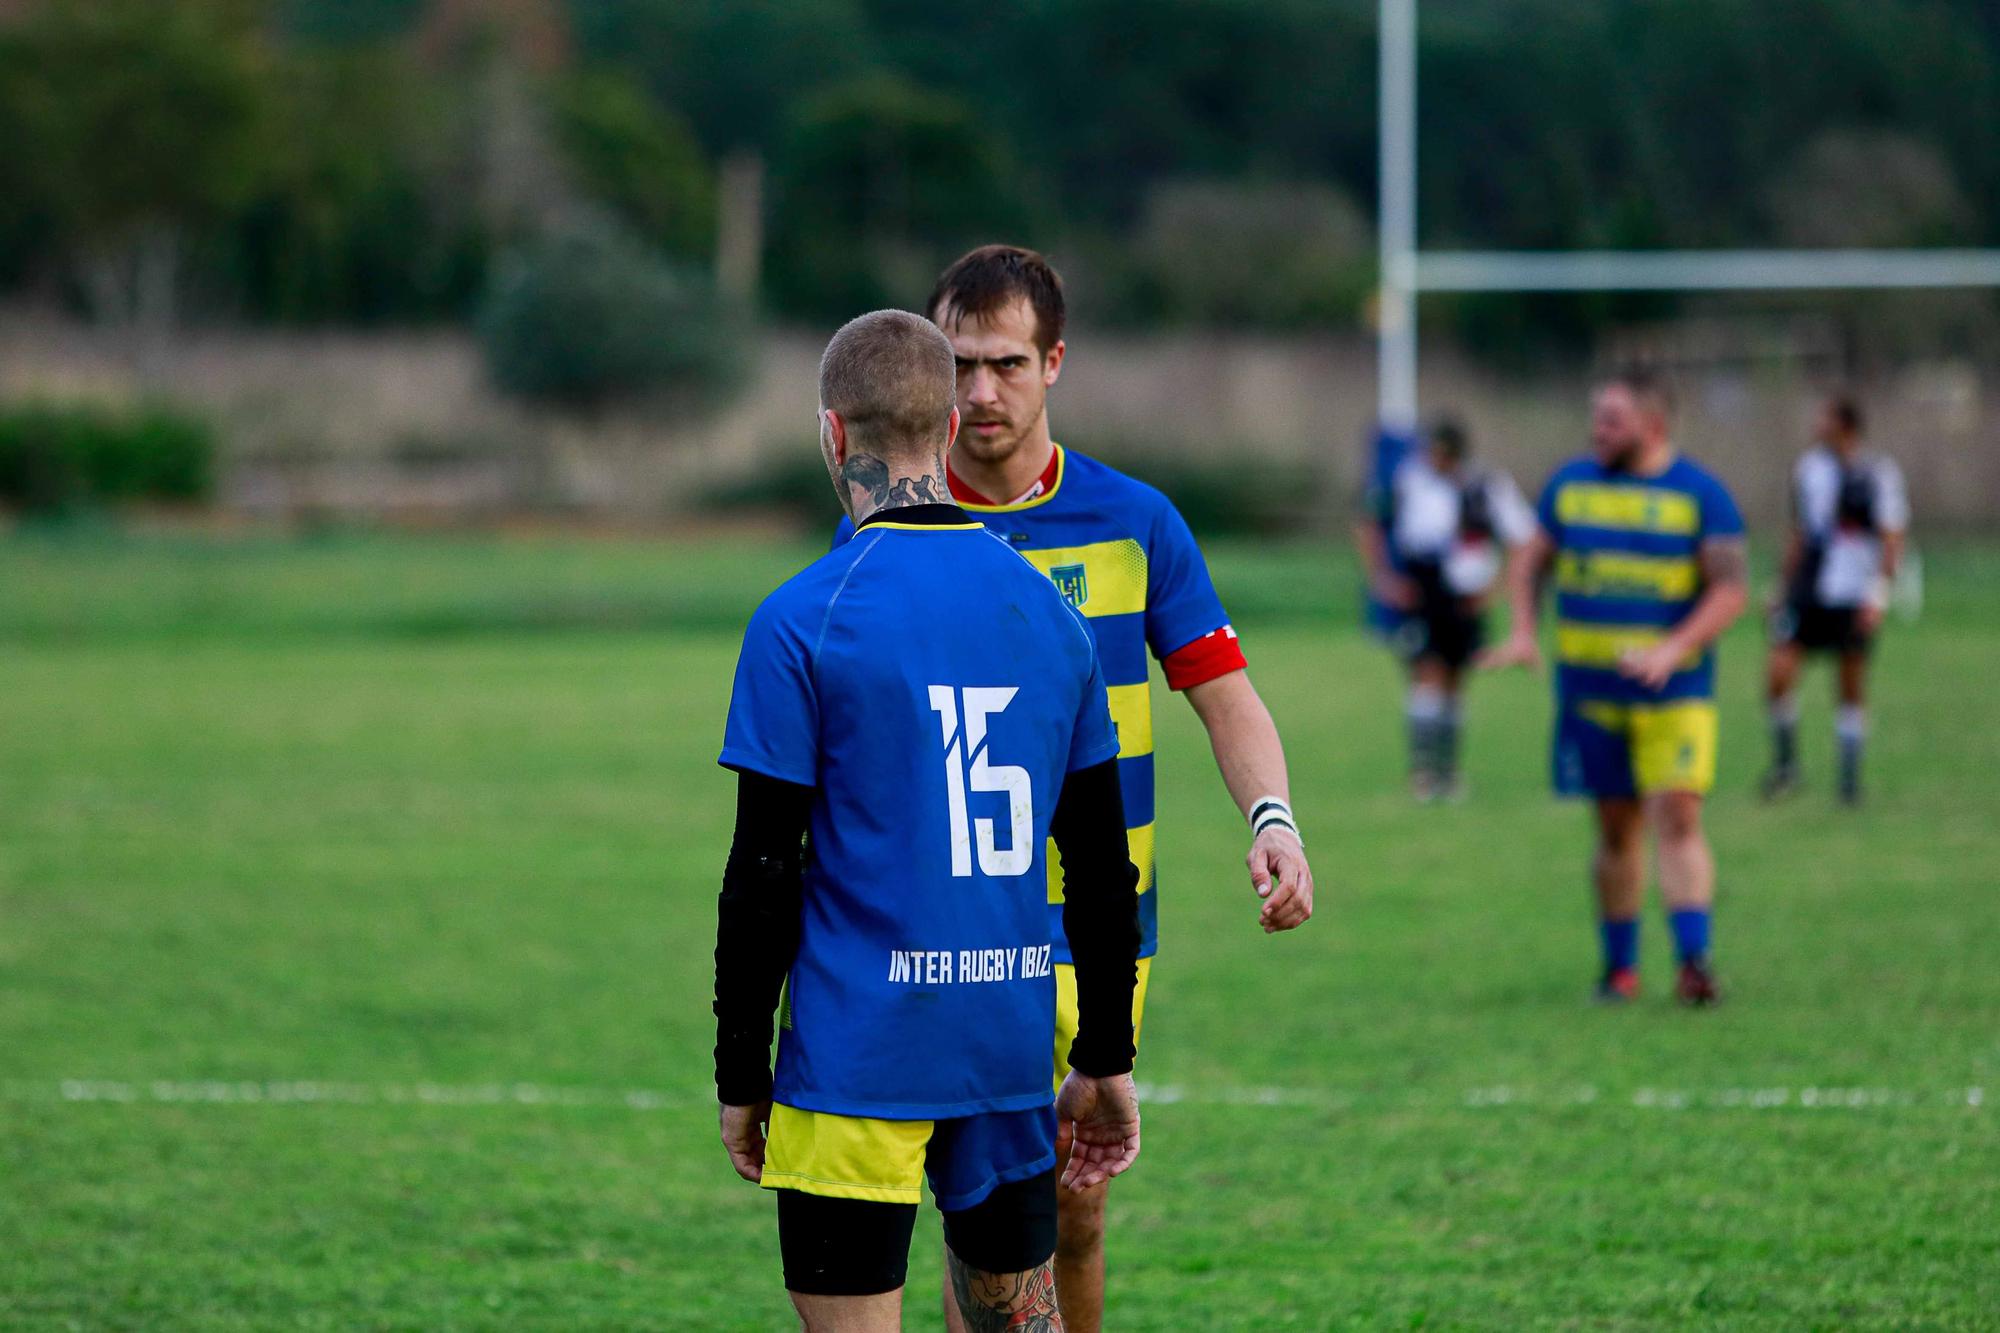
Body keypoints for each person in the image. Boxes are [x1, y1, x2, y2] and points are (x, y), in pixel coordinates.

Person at [833, 245, 1314, 1332]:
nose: (979, 392)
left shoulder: (1136, 521)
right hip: (946, 919)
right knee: (982, 1211)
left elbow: (1221, 691)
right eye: (955, 365)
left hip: (1097, 928)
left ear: (1056, 362)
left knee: (1074, 1208)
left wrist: (1273, 819)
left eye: (1005, 363)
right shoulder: (883, 527)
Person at [713, 310, 1145, 1331]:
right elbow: (1097, 862)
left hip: (851, 1053)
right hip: (1002, 1049)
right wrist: (1107, 1054)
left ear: (831, 435)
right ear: (951, 429)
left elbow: (763, 871)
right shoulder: (1048, 612)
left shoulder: (802, 617)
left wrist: (740, 1069)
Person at [1484, 369, 1748, 1006]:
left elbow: (1730, 588)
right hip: (1590, 696)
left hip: (1675, 695)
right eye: (1596, 416)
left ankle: (1693, 962)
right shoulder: (1570, 486)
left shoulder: (1701, 495)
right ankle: (1620, 970)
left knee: (1679, 813)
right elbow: (1530, 562)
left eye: (1613, 419)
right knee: (1615, 828)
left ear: (1653, 425)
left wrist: (1672, 648)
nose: (1597, 430)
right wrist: (1523, 629)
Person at [1357, 414, 1537, 800]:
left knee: (1456, 679)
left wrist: (1497, 586)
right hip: (1424, 589)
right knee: (1425, 671)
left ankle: (1449, 771)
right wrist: (1383, 579)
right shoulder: (1409, 480)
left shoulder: (1486, 485)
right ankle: (1423, 771)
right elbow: (1371, 522)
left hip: (1466, 595)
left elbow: (1523, 537)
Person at [1761, 394, 1909, 805]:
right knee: (1778, 670)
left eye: (1824, 416)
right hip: (1807, 589)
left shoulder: (1878, 473)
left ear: (1845, 424)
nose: (1816, 423)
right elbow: (1799, 531)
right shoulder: (1809, 469)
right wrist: (1779, 585)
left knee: (1849, 683)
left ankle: (1848, 779)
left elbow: (1892, 537)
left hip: (1852, 590)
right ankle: (1786, 765)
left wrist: (1878, 595)